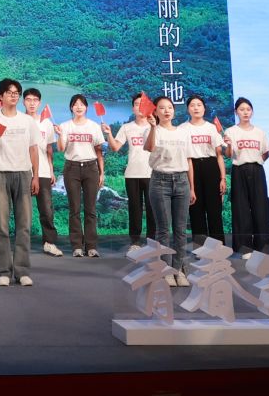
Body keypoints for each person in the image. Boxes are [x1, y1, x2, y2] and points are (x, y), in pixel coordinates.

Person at [0, 78, 40, 287]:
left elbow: (33, 148)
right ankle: (4, 271)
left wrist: (35, 175)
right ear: (1, 96)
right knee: (1, 226)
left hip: (23, 174)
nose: (14, 95)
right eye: (9, 92)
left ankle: (22, 271)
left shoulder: (27, 121)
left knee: (24, 225)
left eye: (16, 93)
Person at [144, 95, 192, 283]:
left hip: (182, 181)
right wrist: (152, 127)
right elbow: (149, 147)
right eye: (162, 108)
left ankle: (179, 269)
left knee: (180, 230)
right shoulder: (152, 130)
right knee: (164, 230)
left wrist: (192, 187)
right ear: (155, 111)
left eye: (170, 107)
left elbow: (188, 160)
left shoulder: (183, 132)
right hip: (160, 181)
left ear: (174, 110)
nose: (166, 111)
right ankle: (165, 271)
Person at [57, 93, 107, 257]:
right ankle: (77, 246)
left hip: (91, 168)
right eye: (75, 104)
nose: (78, 107)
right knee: (74, 209)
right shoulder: (65, 126)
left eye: (82, 104)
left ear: (86, 107)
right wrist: (60, 135)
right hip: (71, 167)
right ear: (71, 107)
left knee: (90, 209)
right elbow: (61, 149)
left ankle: (91, 246)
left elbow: (99, 151)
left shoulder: (94, 126)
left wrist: (102, 172)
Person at [223, 97, 269, 255]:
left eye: (248, 109)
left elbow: (265, 153)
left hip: (257, 170)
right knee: (241, 208)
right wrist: (229, 145)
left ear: (252, 112)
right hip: (239, 170)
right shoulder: (231, 131)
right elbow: (229, 155)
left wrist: (255, 161)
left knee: (260, 207)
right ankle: (244, 247)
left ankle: (262, 245)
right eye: (242, 109)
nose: (245, 112)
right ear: (236, 112)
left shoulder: (260, 132)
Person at [183, 94, 226, 246]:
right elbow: (185, 157)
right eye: (192, 105)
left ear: (204, 108)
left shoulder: (211, 128)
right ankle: (200, 246)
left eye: (199, 105)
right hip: (192, 167)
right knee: (196, 210)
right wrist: (190, 186)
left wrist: (223, 178)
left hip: (211, 167)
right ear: (188, 109)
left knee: (214, 210)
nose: (196, 108)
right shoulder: (183, 129)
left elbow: (219, 155)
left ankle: (218, 247)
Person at [24, 88, 63, 256]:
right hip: (24, 171)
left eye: (35, 100)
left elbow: (49, 149)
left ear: (39, 102)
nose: (32, 103)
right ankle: (22, 243)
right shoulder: (20, 121)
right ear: (23, 102)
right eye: (28, 99)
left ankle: (49, 242)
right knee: (23, 210)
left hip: (44, 172)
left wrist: (52, 170)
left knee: (46, 209)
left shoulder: (46, 123)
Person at [111, 93, 153, 245]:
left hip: (152, 174)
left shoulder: (155, 126)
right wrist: (109, 134)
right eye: (136, 104)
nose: (140, 107)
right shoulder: (127, 127)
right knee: (135, 209)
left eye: (143, 104)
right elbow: (115, 147)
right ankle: (135, 242)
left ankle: (153, 242)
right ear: (132, 108)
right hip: (132, 174)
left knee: (152, 209)